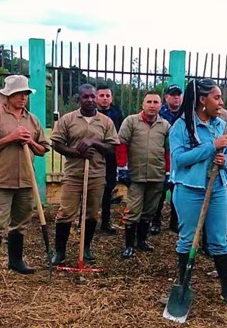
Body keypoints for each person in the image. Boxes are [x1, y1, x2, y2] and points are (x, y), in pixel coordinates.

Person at [169, 78, 227, 308]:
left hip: (216, 189)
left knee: (219, 240)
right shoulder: (181, 127)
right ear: (202, 100)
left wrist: (223, 160)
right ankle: (183, 285)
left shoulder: (221, 125)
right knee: (188, 239)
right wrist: (211, 147)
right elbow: (179, 160)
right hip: (189, 190)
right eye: (216, 97)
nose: (221, 102)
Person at [0, 75, 50, 283]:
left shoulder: (32, 120)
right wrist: (11, 138)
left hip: (26, 182)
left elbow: (43, 149)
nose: (23, 98)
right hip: (3, 180)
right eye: (19, 94)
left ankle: (16, 261)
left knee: (20, 223)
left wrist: (30, 142)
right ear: (8, 96)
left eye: (26, 94)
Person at [49, 84, 119, 265]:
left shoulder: (105, 122)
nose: (90, 100)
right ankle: (60, 251)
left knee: (91, 213)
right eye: (85, 97)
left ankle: (86, 247)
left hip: (96, 174)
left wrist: (95, 142)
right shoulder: (68, 119)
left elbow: (112, 149)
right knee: (66, 213)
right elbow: (56, 144)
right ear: (78, 99)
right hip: (73, 174)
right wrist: (76, 152)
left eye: (92, 97)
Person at [116, 92, 170, 259]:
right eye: (149, 102)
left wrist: (168, 172)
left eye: (156, 102)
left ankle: (142, 241)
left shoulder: (165, 125)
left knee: (149, 211)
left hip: (157, 175)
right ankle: (129, 245)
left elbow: (168, 151)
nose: (152, 105)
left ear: (161, 105)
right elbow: (121, 144)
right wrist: (122, 168)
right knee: (133, 210)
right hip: (136, 175)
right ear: (143, 104)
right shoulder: (131, 121)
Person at [154, 84, 184, 234]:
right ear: (166, 97)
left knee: (177, 192)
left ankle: (175, 221)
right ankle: (155, 221)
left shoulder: (185, 113)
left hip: (179, 158)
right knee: (159, 192)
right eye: (173, 94)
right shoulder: (159, 113)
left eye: (178, 94)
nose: (176, 97)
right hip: (161, 157)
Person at [95, 85, 124, 235]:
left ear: (111, 98)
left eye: (107, 95)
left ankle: (106, 221)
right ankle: (85, 221)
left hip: (110, 157)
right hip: (93, 156)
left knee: (108, 188)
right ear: (96, 97)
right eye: (101, 95)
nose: (105, 98)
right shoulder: (90, 113)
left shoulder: (117, 113)